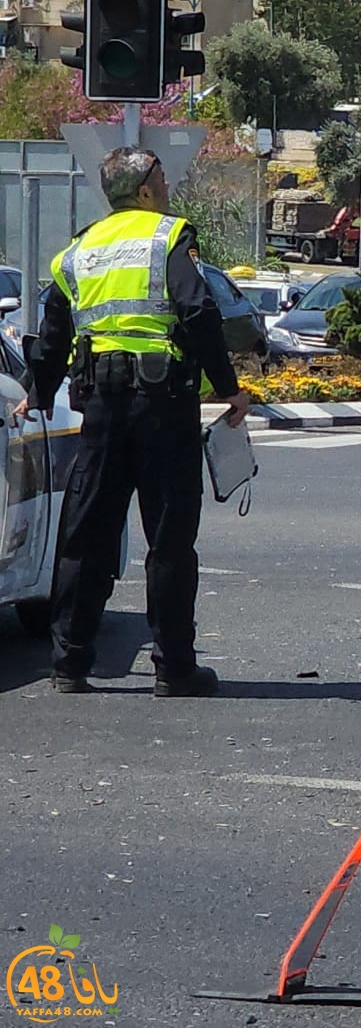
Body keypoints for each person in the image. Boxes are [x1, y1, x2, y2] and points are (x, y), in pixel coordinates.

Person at [14, 147, 252, 695]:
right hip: (162, 406)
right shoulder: (167, 237)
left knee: (87, 532)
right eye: (162, 178)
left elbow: (54, 331)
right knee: (169, 539)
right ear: (144, 189)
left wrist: (37, 392)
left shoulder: (79, 251)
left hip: (99, 407)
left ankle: (69, 664)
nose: (168, 188)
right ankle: (174, 667)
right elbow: (196, 311)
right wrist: (231, 388)